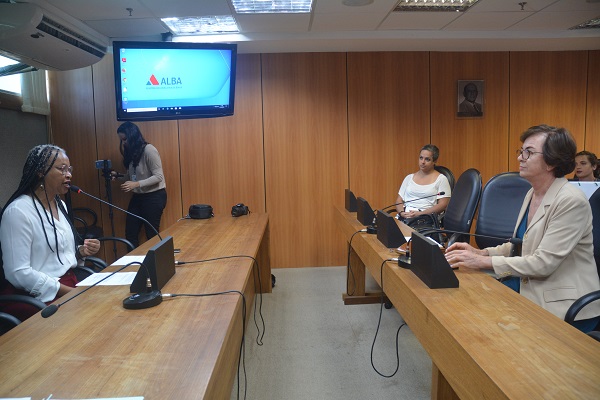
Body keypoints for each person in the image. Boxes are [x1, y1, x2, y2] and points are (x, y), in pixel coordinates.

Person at [444, 125, 600, 332]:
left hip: (562, 303)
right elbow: (521, 244)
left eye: (529, 152)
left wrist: (482, 262)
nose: (520, 157)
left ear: (552, 162)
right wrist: (481, 252)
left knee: (481, 323)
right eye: (521, 151)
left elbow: (543, 263)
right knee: (465, 307)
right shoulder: (532, 193)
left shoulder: (571, 201)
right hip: (529, 284)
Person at [0, 145, 100, 321]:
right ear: (40, 172)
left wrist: (81, 252)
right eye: (62, 169)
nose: (68, 175)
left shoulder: (60, 205)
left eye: (69, 169)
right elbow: (17, 272)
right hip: (36, 296)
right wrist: (69, 292)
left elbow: (55, 256)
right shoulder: (18, 212)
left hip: (68, 283)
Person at [113, 121, 167, 248]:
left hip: (154, 196)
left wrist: (136, 184)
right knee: (130, 234)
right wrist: (118, 176)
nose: (123, 143)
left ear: (132, 136)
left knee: (152, 235)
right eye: (121, 140)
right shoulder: (132, 152)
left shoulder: (149, 150)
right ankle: (134, 260)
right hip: (138, 197)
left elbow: (158, 177)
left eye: (125, 139)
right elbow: (132, 177)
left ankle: (157, 260)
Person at [395, 144, 451, 219]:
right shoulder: (409, 178)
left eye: (427, 159)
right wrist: (402, 213)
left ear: (434, 161)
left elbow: (443, 205)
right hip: (405, 216)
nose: (423, 162)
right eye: (421, 158)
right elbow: (399, 200)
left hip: (425, 218)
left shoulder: (441, 179)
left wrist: (421, 214)